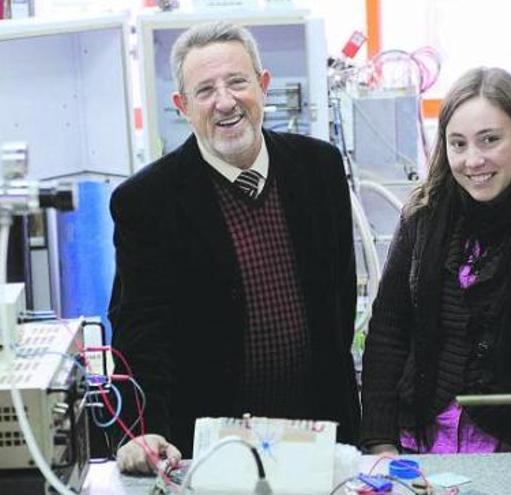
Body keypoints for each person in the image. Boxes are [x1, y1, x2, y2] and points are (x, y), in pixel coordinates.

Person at [108, 21, 360, 473]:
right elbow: (141, 329)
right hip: (208, 449)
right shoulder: (147, 201)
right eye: (205, 91)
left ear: (263, 86)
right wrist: (143, 429)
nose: (224, 102)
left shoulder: (319, 168)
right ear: (182, 106)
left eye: (237, 82)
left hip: (318, 434)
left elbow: (339, 304)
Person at [360, 67, 511, 477]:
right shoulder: (423, 215)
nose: (473, 160)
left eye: (490, 140)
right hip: (419, 439)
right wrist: (379, 440)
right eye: (458, 144)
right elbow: (388, 332)